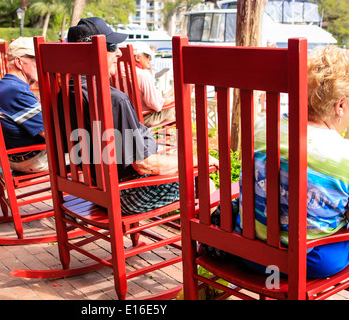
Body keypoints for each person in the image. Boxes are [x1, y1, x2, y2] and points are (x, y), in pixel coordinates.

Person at [66, 17, 218, 215]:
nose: (119, 53)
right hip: (124, 195)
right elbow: (144, 165)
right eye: (112, 46)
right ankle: (204, 245)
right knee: (205, 183)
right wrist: (198, 159)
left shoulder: (66, 91)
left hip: (92, 187)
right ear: (91, 53)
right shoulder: (113, 99)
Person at [237, 45, 349, 278]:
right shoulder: (343, 154)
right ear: (340, 105)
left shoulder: (261, 127)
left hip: (250, 251)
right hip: (308, 262)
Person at [0, 37, 48, 173]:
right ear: (19, 62)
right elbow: (49, 134)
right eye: (37, 60)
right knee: (93, 149)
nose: (42, 65)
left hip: (14, 157)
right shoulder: (15, 91)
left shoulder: (4, 85)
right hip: (32, 159)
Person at [131, 41, 175, 127]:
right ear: (137, 57)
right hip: (143, 118)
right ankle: (166, 137)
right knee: (171, 108)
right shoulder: (143, 75)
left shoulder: (117, 71)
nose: (150, 59)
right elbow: (155, 105)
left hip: (125, 116)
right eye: (148, 56)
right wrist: (172, 99)